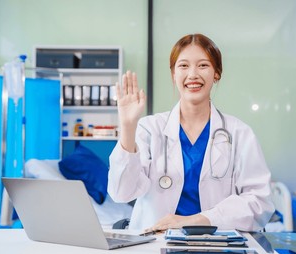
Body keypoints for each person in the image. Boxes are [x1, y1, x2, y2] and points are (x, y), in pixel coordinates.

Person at [108, 33, 274, 233]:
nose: (193, 74)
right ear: (173, 74)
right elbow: (121, 193)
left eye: (203, 65)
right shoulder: (149, 129)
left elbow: (259, 204)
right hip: (154, 246)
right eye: (183, 66)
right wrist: (127, 126)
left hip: (218, 247)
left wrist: (200, 219)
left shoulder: (239, 133)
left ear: (216, 74)